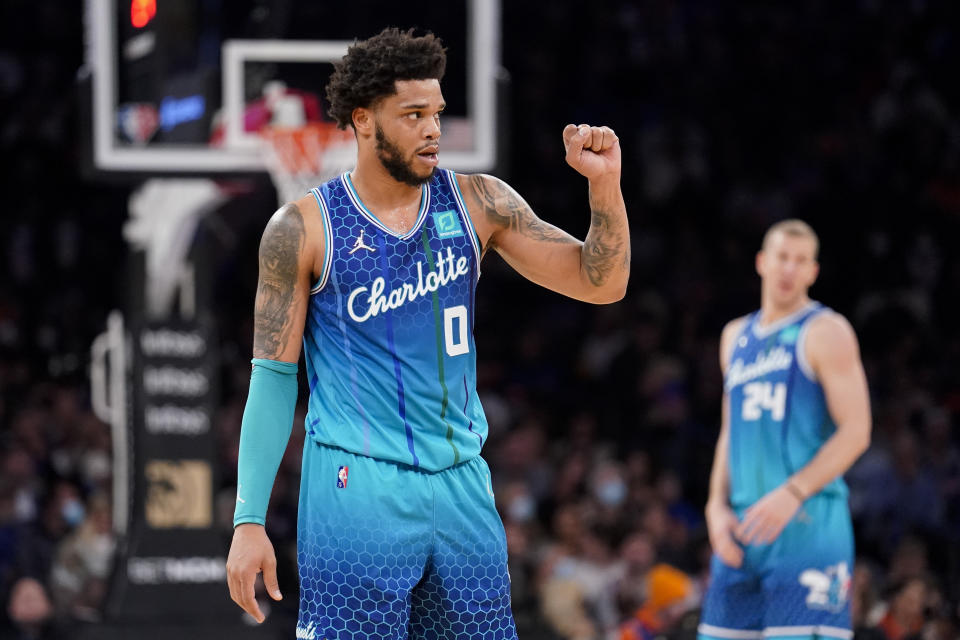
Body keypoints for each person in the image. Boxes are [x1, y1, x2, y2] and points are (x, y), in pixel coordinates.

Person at [225, 27, 630, 639]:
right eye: (413, 115)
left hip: (462, 486)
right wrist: (249, 519)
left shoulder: (479, 202)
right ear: (363, 120)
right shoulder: (301, 228)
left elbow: (601, 283)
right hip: (356, 487)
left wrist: (605, 187)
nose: (432, 129)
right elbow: (275, 378)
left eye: (436, 113)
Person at [697, 219, 872, 640]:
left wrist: (793, 492)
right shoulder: (734, 336)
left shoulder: (827, 331)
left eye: (800, 261)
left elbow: (857, 431)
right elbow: (730, 430)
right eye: (782, 258)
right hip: (743, 529)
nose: (789, 269)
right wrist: (714, 506)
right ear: (762, 262)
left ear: (813, 271)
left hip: (808, 528)